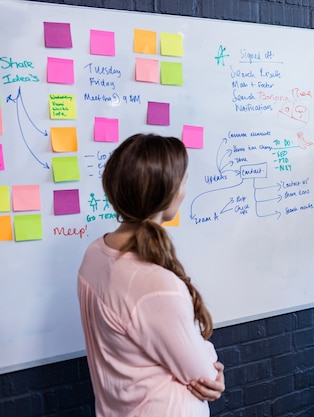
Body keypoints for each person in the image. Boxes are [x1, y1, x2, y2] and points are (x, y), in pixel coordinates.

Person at [77, 134, 225, 416]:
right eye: (182, 182)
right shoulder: (157, 284)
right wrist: (212, 363)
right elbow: (204, 373)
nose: (184, 190)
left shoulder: (94, 255)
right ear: (165, 193)